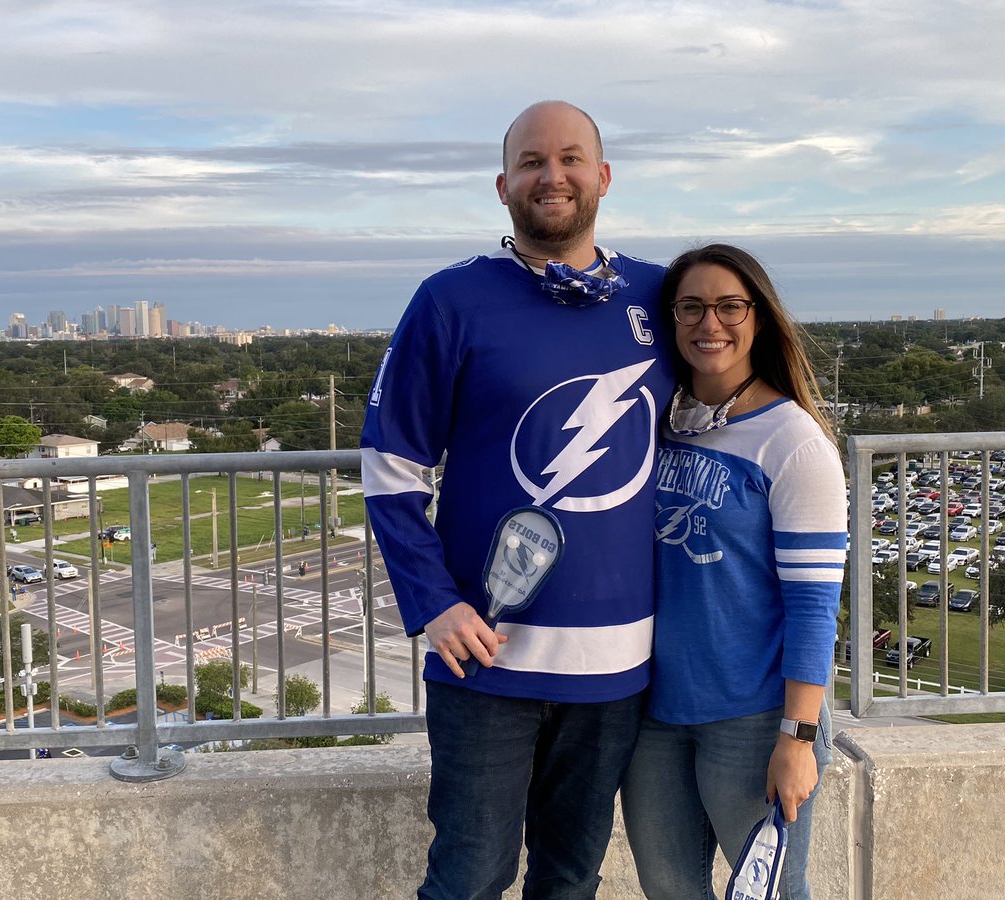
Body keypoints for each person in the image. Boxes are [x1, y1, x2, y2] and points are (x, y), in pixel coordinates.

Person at [361, 100, 674, 899]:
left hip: (617, 669)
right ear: (504, 185)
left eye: (571, 158)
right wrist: (434, 604)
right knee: (470, 878)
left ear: (603, 177)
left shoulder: (662, 297)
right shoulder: (450, 300)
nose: (553, 175)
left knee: (570, 878)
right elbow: (391, 469)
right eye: (533, 162)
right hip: (487, 664)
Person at [620, 244, 846, 898]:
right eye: (690, 306)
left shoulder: (793, 442)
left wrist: (797, 739)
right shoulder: (659, 425)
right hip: (657, 716)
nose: (708, 323)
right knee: (669, 890)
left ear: (758, 317)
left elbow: (813, 609)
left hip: (754, 721)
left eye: (728, 306)